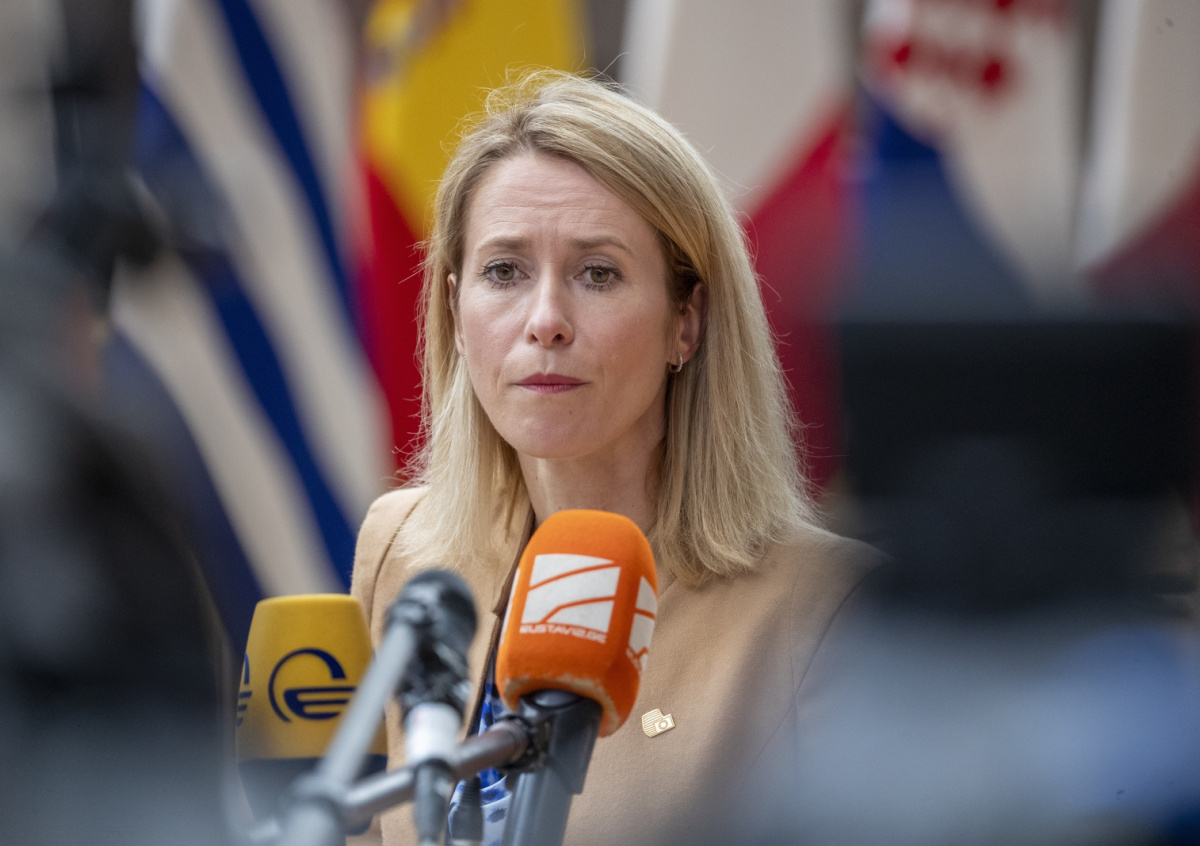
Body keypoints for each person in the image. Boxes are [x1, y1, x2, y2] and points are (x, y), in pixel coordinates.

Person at [351, 70, 876, 846]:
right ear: (456, 315)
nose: (546, 320)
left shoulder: (825, 605)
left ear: (685, 323)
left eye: (597, 273)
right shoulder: (403, 551)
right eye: (504, 271)